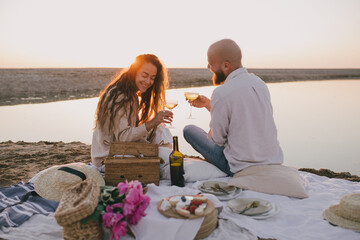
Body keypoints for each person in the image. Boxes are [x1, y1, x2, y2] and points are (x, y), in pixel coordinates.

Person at [183, 39, 283, 176]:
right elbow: (245, 118)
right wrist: (209, 105)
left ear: (225, 66)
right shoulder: (260, 84)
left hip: (239, 167)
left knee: (189, 130)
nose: (208, 67)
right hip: (271, 162)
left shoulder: (221, 93)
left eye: (211, 63)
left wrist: (216, 117)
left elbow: (217, 140)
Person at [91, 54, 173, 170]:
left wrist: (154, 126)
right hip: (108, 157)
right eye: (145, 75)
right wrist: (153, 122)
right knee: (167, 158)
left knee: (161, 130)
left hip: (121, 149)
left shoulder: (130, 94)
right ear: (134, 72)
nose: (148, 81)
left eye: (153, 78)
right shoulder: (120, 96)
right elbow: (123, 137)